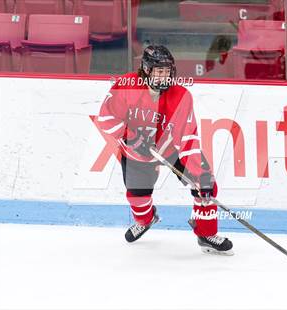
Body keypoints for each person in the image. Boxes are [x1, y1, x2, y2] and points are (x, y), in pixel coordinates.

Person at [97, 45, 233, 255]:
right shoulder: (125, 85)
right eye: (159, 71)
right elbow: (106, 118)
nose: (164, 76)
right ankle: (146, 219)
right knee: (137, 199)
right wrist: (131, 138)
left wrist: (199, 176)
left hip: (170, 149)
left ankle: (206, 233)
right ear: (146, 69)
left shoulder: (181, 96)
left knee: (206, 184)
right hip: (136, 154)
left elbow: (188, 138)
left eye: (167, 71)